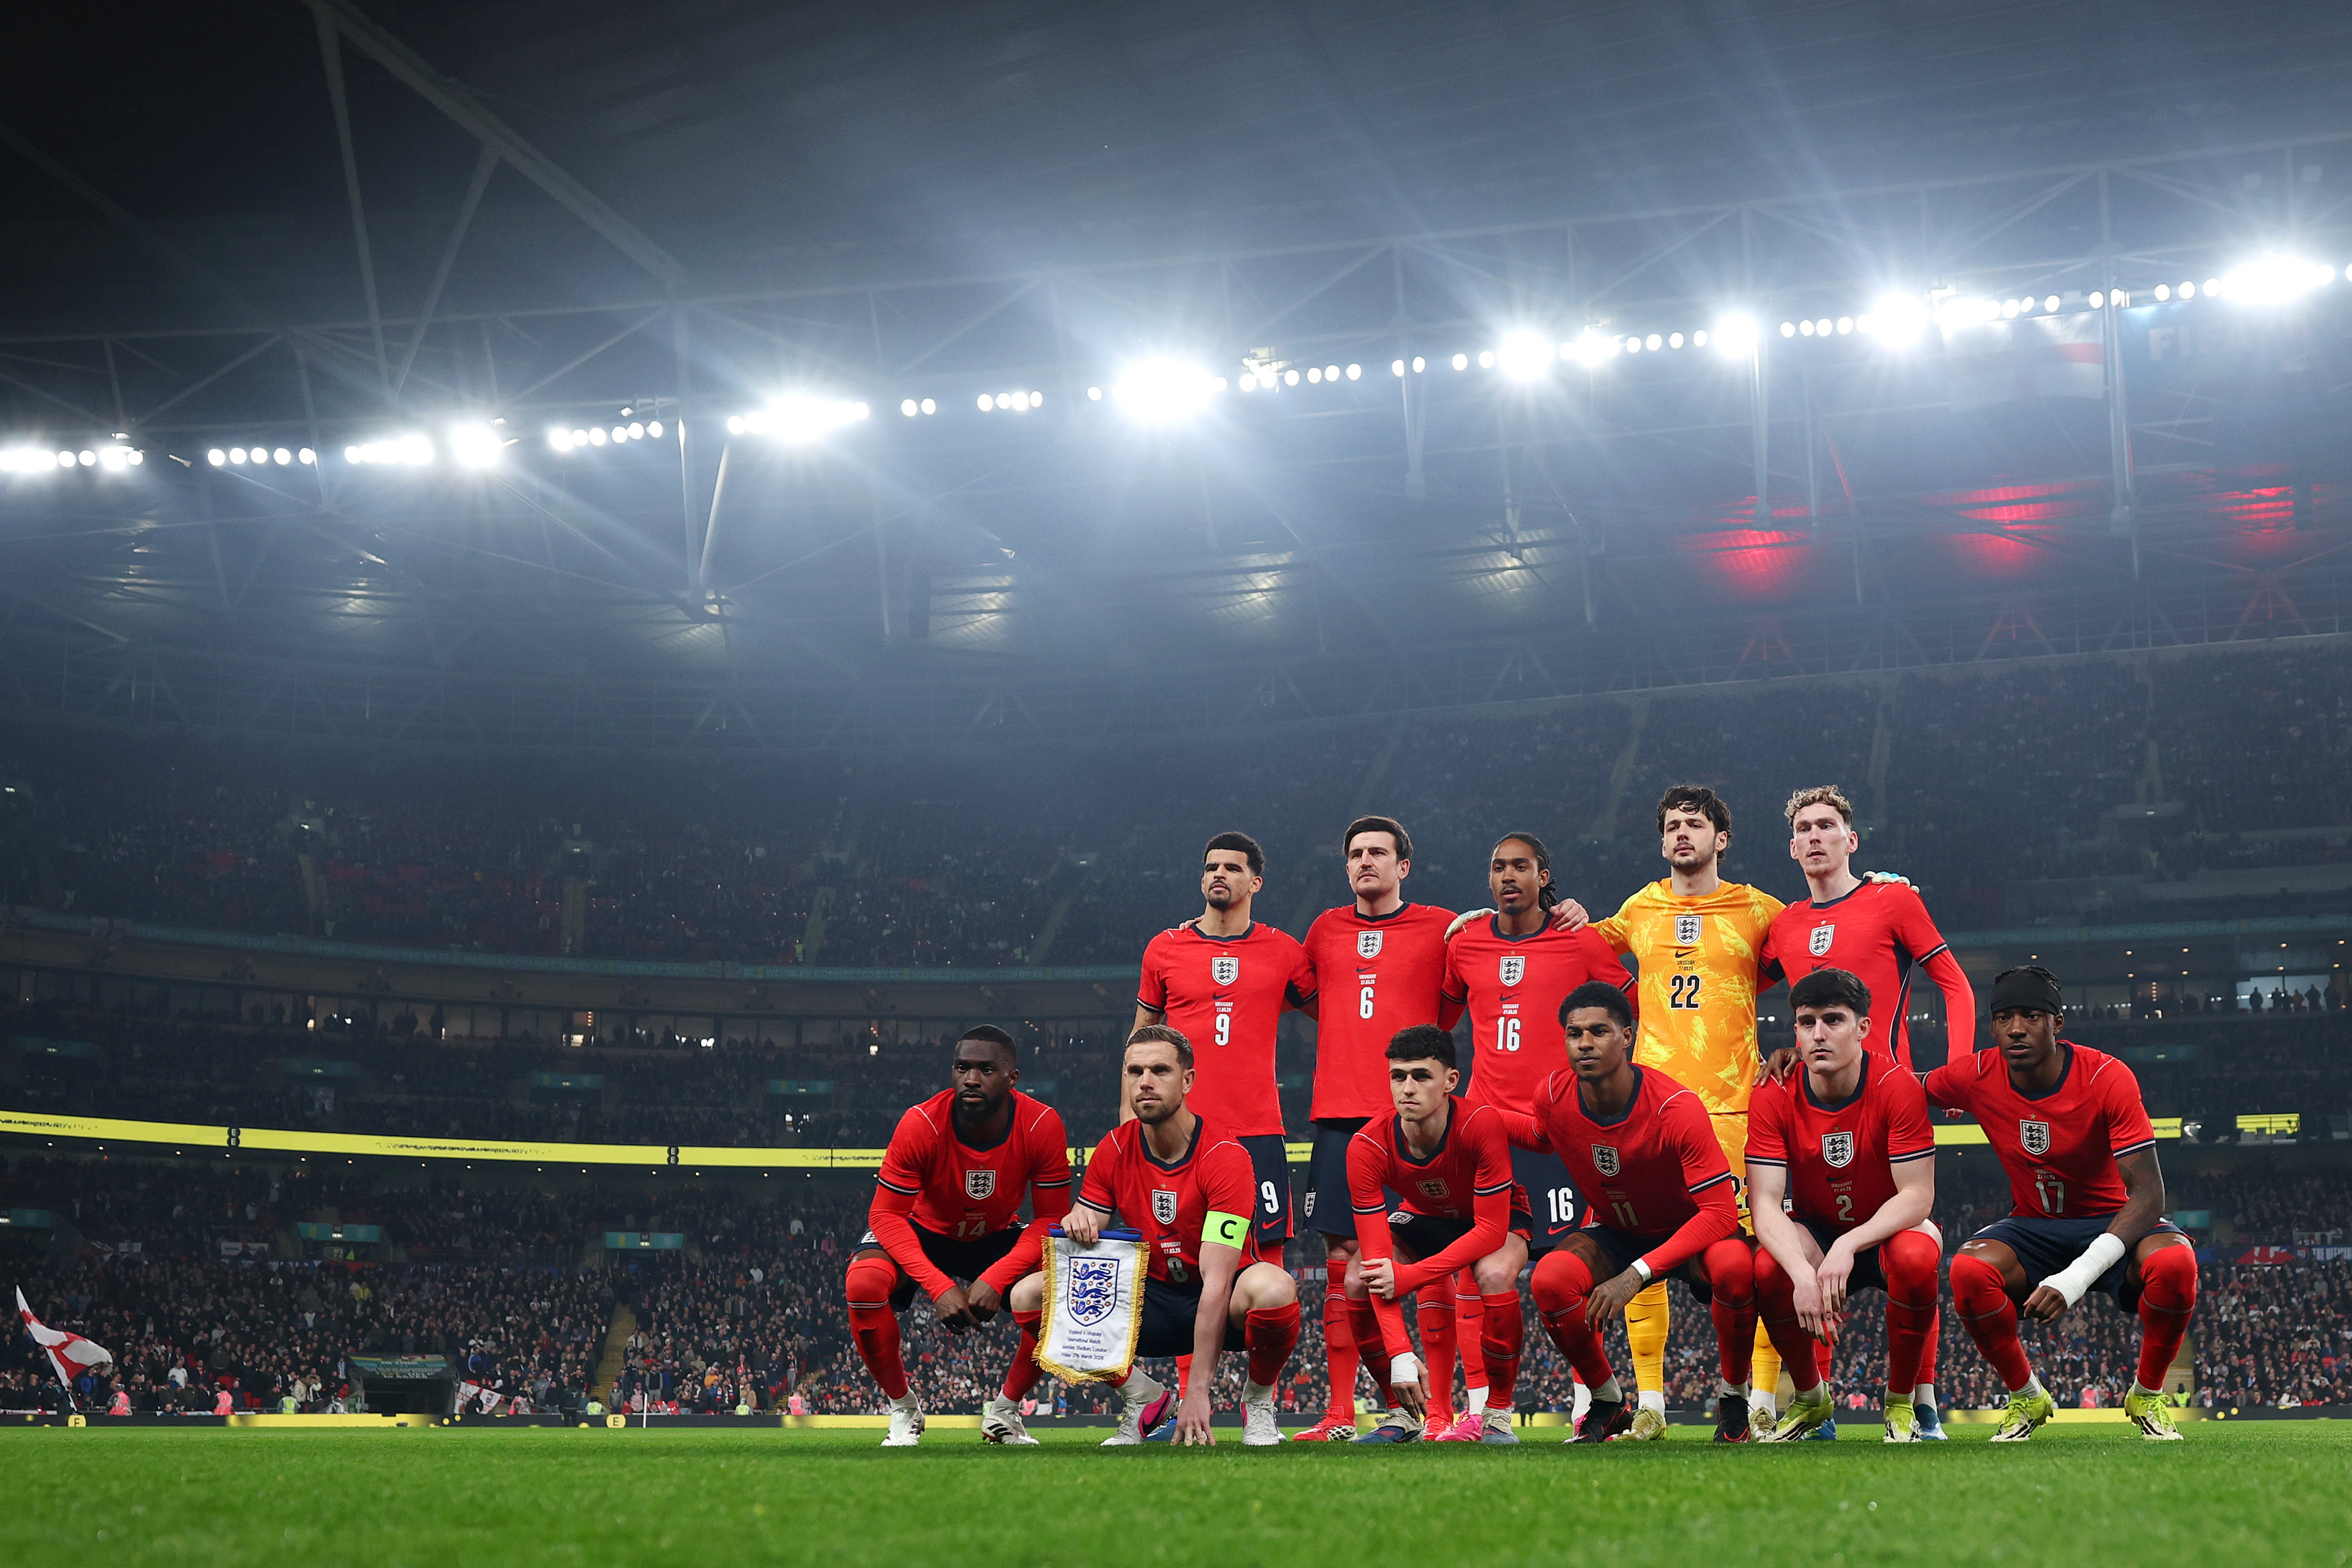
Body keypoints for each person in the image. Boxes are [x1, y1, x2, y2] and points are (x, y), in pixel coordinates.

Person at [1757, 785, 1975, 1439]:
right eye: (1805, 828)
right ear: (1792, 847)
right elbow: (1734, 985)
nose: (1817, 836)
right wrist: (1774, 1053)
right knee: (1808, 1236)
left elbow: (1955, 983)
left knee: (1908, 1247)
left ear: (1852, 840)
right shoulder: (1784, 925)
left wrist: (1952, 1073)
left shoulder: (1892, 898)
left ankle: (1919, 1401)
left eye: (1829, 825)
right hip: (1813, 1105)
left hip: (1888, 1104)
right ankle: (1816, 1405)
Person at [1927, 965, 2197, 1442]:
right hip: (2035, 1226)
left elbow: (2150, 1194)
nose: (2016, 1028)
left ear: (2057, 1024)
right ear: (1991, 1028)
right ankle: (2026, 1394)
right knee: (1968, 1272)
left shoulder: (2107, 1077)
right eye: (2004, 1017)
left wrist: (2076, 1278)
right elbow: (1887, 1087)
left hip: (2115, 1224)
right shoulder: (1976, 1075)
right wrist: (1803, 1062)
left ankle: (2149, 1393)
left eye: (2031, 1016)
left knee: (2176, 1263)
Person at [1008, 1025, 1301, 1446]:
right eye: (1135, 1071)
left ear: (1188, 1080)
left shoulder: (1226, 1157)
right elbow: (1088, 1217)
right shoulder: (1114, 1147)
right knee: (1029, 1295)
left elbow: (1217, 1283)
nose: (1145, 1082)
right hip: (1152, 1298)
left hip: (1221, 1299)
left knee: (1274, 1286)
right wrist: (1079, 1218)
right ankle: (1141, 1395)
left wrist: (1197, 1391)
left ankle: (1257, 1402)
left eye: (1160, 1070)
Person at [1432, 831, 1632, 1439]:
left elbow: (1629, 1010)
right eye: (1498, 867)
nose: (1508, 876)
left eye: (1521, 866)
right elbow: (1440, 1021)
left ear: (1545, 876)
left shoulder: (1580, 939)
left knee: (1573, 1271)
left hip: (1562, 1133)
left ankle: (1589, 1407)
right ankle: (1483, 1411)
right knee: (1481, 1272)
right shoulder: (1464, 944)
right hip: (1492, 1136)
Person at [1506, 982, 1759, 1444]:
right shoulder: (1552, 1094)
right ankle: (1608, 1401)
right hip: (1618, 1230)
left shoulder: (1675, 1107)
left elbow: (1722, 1214)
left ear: (1627, 1037)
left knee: (1737, 1266)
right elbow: (1542, 1136)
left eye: (1598, 1031)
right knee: (1549, 1280)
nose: (1584, 1043)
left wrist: (1636, 1274)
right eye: (1574, 1033)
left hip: (1688, 1232)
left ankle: (1734, 1399)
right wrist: (1464, 1115)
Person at [1293, 815, 1459, 1443]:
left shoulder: (1441, 926)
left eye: (1379, 853)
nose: (1366, 861)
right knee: (1344, 1263)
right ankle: (1342, 1414)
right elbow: (1317, 1001)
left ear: (1403, 866)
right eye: (1356, 853)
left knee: (1431, 1259)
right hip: (1339, 1114)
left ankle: (1441, 1414)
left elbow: (1452, 1004)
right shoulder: (1323, 930)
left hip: (1415, 1120)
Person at [844, 1026, 1073, 1448]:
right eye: (962, 1067)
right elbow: (885, 1215)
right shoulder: (921, 1123)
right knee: (863, 1284)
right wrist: (938, 1286)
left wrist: (998, 1276)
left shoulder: (1041, 1124)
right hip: (921, 1230)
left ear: (1012, 1078)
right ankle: (903, 1408)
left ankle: (1005, 1412)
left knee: (1061, 1288)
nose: (971, 1078)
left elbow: (1053, 1220)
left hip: (994, 1236)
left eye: (987, 1069)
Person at [1745, 968, 1941, 1442]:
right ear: (1794, 1030)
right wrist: (1799, 1271)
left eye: (1833, 1020)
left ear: (1863, 1028)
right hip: (1816, 1228)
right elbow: (1765, 1201)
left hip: (1886, 1229)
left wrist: (1848, 1245)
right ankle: (1812, 1401)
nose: (1818, 1034)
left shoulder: (1896, 1087)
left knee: (1917, 1258)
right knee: (1768, 1269)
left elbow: (1917, 1194)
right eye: (1806, 1022)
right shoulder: (1772, 1092)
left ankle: (1902, 1405)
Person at [1341, 1024, 1531, 1445]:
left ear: (1450, 1081)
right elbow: (1377, 1264)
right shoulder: (1367, 1146)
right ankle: (1402, 1413)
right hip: (1425, 1216)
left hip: (1491, 1217)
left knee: (1496, 1275)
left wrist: (1410, 1276)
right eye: (1398, 1076)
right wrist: (1400, 1354)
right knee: (1355, 1278)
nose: (1407, 1088)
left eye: (1421, 1076)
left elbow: (1490, 1230)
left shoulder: (1480, 1124)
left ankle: (1498, 1413)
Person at [1134, 832, 1317, 1256]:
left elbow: (1337, 1011)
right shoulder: (1166, 948)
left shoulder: (1283, 950)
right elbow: (1141, 1036)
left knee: (1265, 1260)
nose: (1219, 874)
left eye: (1233, 867)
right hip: (1181, 1130)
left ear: (1256, 883)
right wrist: (1128, 1111)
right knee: (1178, 1255)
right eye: (1211, 867)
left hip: (1257, 1130)